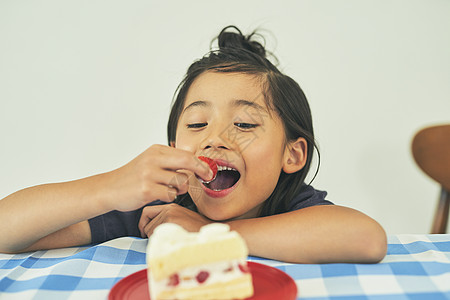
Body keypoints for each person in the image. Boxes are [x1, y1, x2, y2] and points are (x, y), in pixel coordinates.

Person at [0, 26, 387, 263]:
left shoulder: (289, 204)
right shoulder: (158, 208)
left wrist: (207, 232)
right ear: (174, 146)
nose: (214, 138)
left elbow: (367, 239)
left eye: (244, 123)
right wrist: (110, 187)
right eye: (197, 123)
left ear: (293, 154)